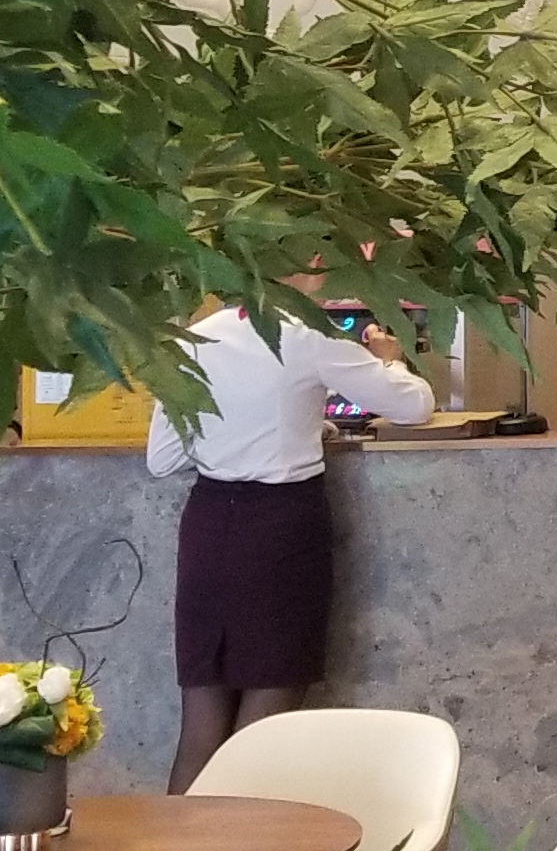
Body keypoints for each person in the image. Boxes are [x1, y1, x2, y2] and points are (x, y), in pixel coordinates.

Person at [147, 283, 437, 787]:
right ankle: (249, 839)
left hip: (208, 525)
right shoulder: (309, 334)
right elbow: (413, 406)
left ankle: (185, 840)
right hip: (279, 529)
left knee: (202, 716)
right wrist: (390, 360)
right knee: (268, 715)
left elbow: (162, 458)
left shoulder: (193, 340)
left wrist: (261, 433)